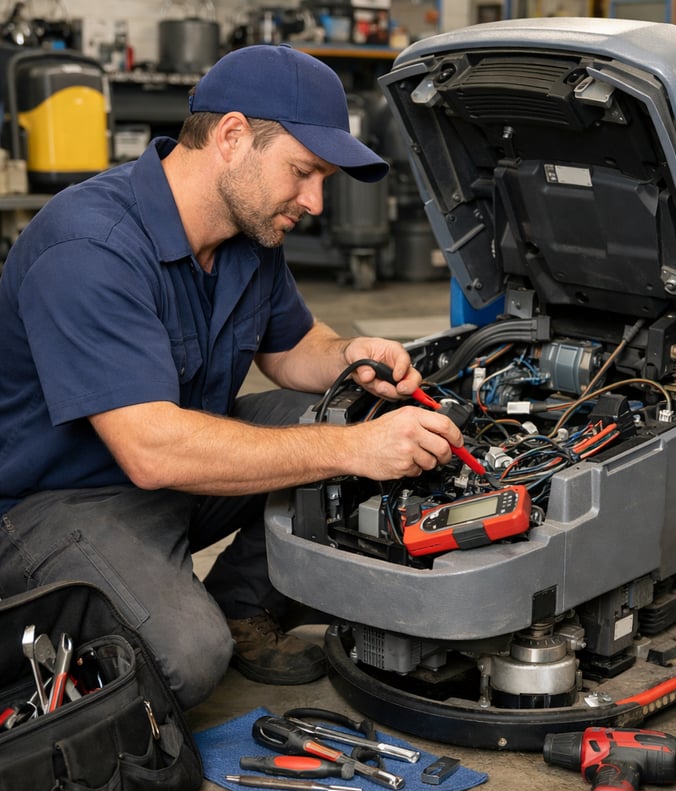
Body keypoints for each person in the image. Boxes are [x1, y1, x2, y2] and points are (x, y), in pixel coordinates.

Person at [0, 44, 463, 709]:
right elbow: (152, 448)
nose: (313, 201)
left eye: (324, 179)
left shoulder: (247, 236)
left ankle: (241, 605)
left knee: (344, 410)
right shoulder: (90, 245)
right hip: (53, 506)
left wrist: (352, 353)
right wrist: (354, 450)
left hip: (171, 481)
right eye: (304, 172)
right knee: (187, 657)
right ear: (233, 136)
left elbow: (295, 349)